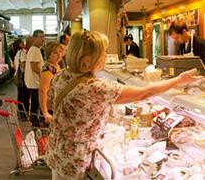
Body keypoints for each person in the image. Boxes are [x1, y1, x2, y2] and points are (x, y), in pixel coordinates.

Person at [46, 30, 199, 179]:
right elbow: (144, 93)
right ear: (86, 60)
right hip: (76, 162)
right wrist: (178, 81)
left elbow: (51, 104)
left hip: (57, 152)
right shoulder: (93, 87)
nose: (105, 57)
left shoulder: (61, 75)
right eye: (102, 53)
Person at [38, 42, 65, 124]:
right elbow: (42, 92)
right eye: (55, 53)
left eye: (60, 52)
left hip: (56, 107)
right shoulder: (48, 70)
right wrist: (45, 112)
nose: (59, 55)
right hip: (50, 109)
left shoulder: (56, 66)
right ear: (49, 54)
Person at [25, 30, 45, 117]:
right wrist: (44, 76)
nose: (43, 39)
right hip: (35, 84)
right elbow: (34, 67)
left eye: (43, 37)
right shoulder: (35, 50)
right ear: (34, 38)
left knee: (34, 104)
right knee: (36, 104)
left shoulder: (34, 49)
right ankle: (35, 122)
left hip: (33, 83)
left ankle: (34, 122)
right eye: (40, 37)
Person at [13, 38, 29, 109]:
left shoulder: (17, 53)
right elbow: (23, 65)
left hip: (17, 77)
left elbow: (14, 66)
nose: (24, 44)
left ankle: (21, 113)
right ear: (19, 44)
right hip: (22, 77)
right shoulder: (22, 52)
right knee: (24, 96)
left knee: (20, 95)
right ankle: (24, 113)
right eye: (22, 42)